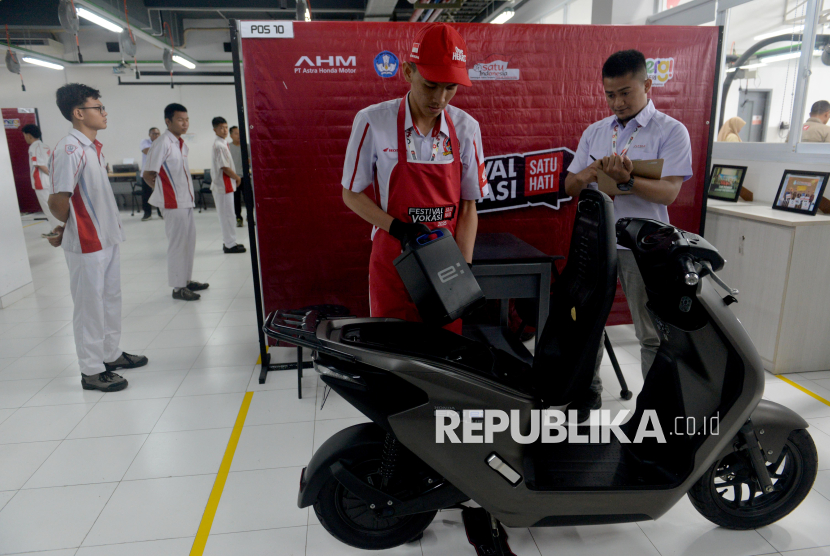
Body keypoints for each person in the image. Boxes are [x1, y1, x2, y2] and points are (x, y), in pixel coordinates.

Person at [564, 49, 693, 422]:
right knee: (586, 325)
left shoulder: (671, 131)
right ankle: (587, 395)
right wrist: (591, 173)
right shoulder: (596, 132)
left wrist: (629, 180)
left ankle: (655, 407)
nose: (617, 102)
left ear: (647, 86)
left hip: (646, 246)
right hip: (598, 245)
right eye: (610, 94)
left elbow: (669, 192)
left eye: (625, 92)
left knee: (651, 333)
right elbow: (571, 186)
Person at [341, 23, 488, 334]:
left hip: (445, 267)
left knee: (443, 361)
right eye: (431, 84)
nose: (440, 98)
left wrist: (465, 268)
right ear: (408, 72)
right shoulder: (372, 122)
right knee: (393, 356)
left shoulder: (466, 129)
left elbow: (468, 208)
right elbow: (350, 194)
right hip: (393, 262)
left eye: (450, 87)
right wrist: (399, 228)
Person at [47, 83, 148, 392]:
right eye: (98, 107)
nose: (104, 113)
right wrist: (69, 227)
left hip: (106, 237)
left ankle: (110, 353)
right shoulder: (70, 149)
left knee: (110, 299)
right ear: (79, 113)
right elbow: (58, 199)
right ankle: (91, 370)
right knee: (90, 305)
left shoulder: (92, 148)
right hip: (87, 242)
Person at [142, 103, 209, 301]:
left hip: (185, 201)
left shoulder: (179, 143)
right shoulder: (162, 142)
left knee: (189, 243)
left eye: (187, 119)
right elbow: (148, 173)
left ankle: (186, 280)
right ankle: (178, 287)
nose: (185, 123)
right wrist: (162, 192)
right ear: (168, 121)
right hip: (173, 203)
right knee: (178, 245)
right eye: (180, 120)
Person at [210, 117, 246, 254]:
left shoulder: (223, 143)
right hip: (223, 186)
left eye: (226, 127)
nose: (224, 130)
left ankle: (230, 242)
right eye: (221, 128)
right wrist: (237, 177)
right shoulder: (220, 146)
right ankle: (229, 245)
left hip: (225, 186)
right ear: (215, 129)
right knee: (227, 216)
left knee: (228, 215)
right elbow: (225, 167)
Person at [21, 124, 61, 235]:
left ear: (28, 135)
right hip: (49, 182)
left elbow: (40, 165)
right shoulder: (45, 146)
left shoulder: (33, 147)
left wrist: (52, 177)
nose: (24, 137)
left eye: (24, 135)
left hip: (41, 183)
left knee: (48, 209)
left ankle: (56, 231)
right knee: (52, 208)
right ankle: (57, 229)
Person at [140, 127, 163, 221]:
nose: (156, 135)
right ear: (149, 134)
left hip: (158, 173)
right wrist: (159, 149)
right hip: (146, 173)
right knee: (146, 194)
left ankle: (160, 213)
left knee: (159, 194)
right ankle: (147, 214)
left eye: (158, 134)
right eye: (154, 133)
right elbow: (146, 151)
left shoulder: (162, 142)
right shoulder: (144, 142)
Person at [228, 126, 246, 227]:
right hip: (234, 178)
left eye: (240, 133)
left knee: (249, 198)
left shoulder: (246, 146)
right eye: (236, 133)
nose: (239, 135)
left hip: (245, 177)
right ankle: (238, 218)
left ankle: (250, 216)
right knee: (236, 200)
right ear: (231, 135)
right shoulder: (228, 147)